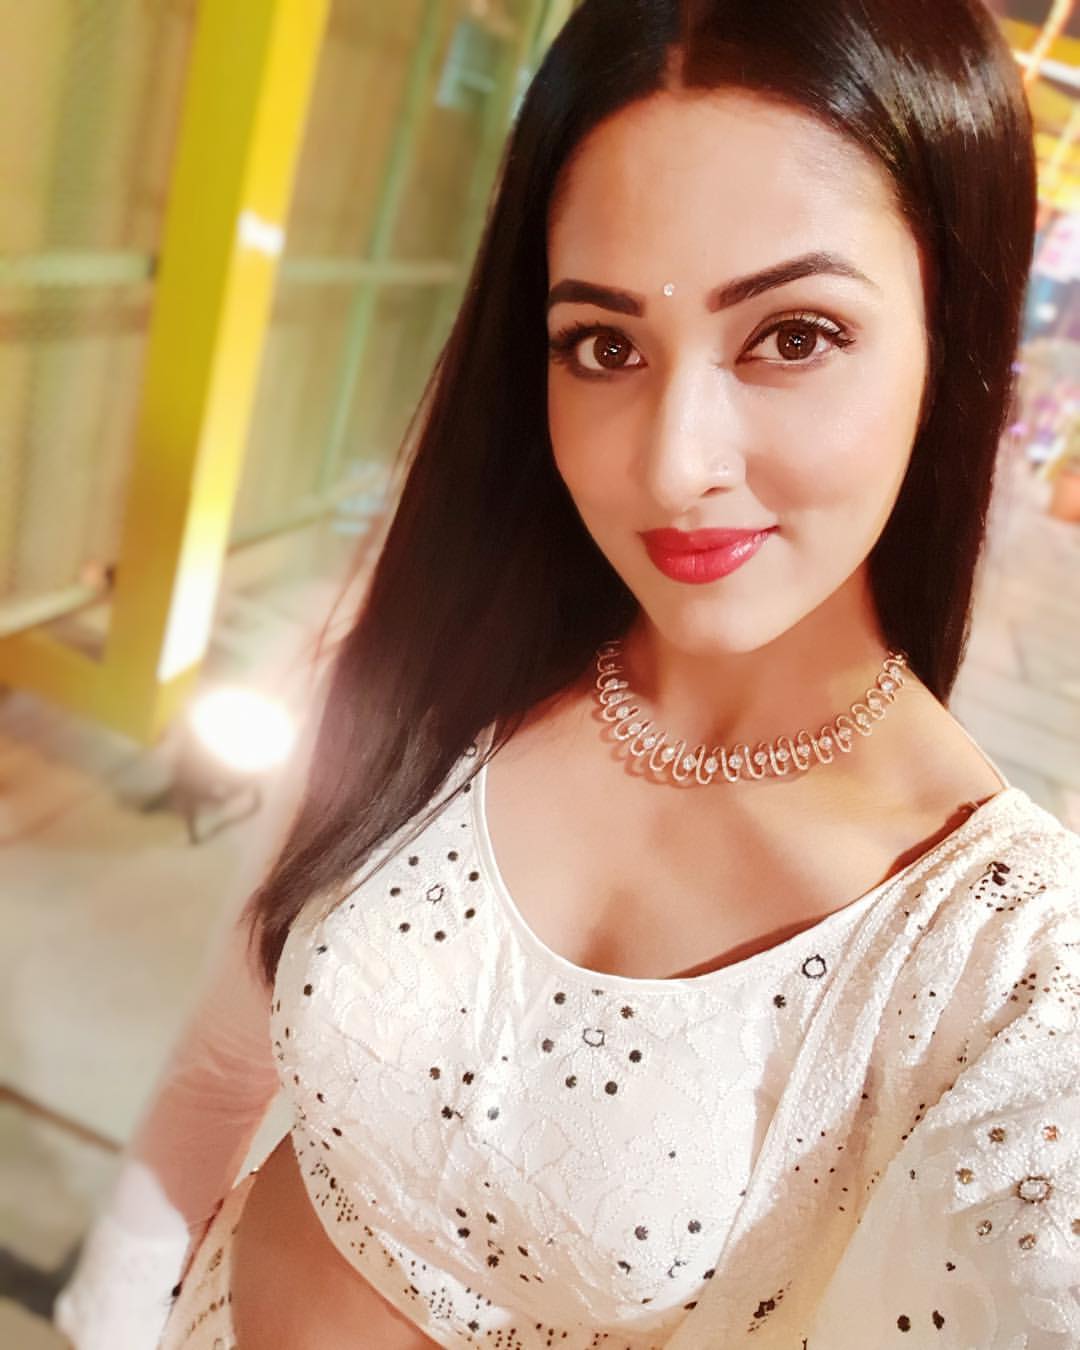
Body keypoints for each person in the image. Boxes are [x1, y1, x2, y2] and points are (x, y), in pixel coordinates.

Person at [55, 0, 1080, 1346]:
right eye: (605, 344)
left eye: (792, 335)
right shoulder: (444, 656)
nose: (670, 465)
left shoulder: (1005, 968)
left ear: (955, 334)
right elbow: (225, 1050)